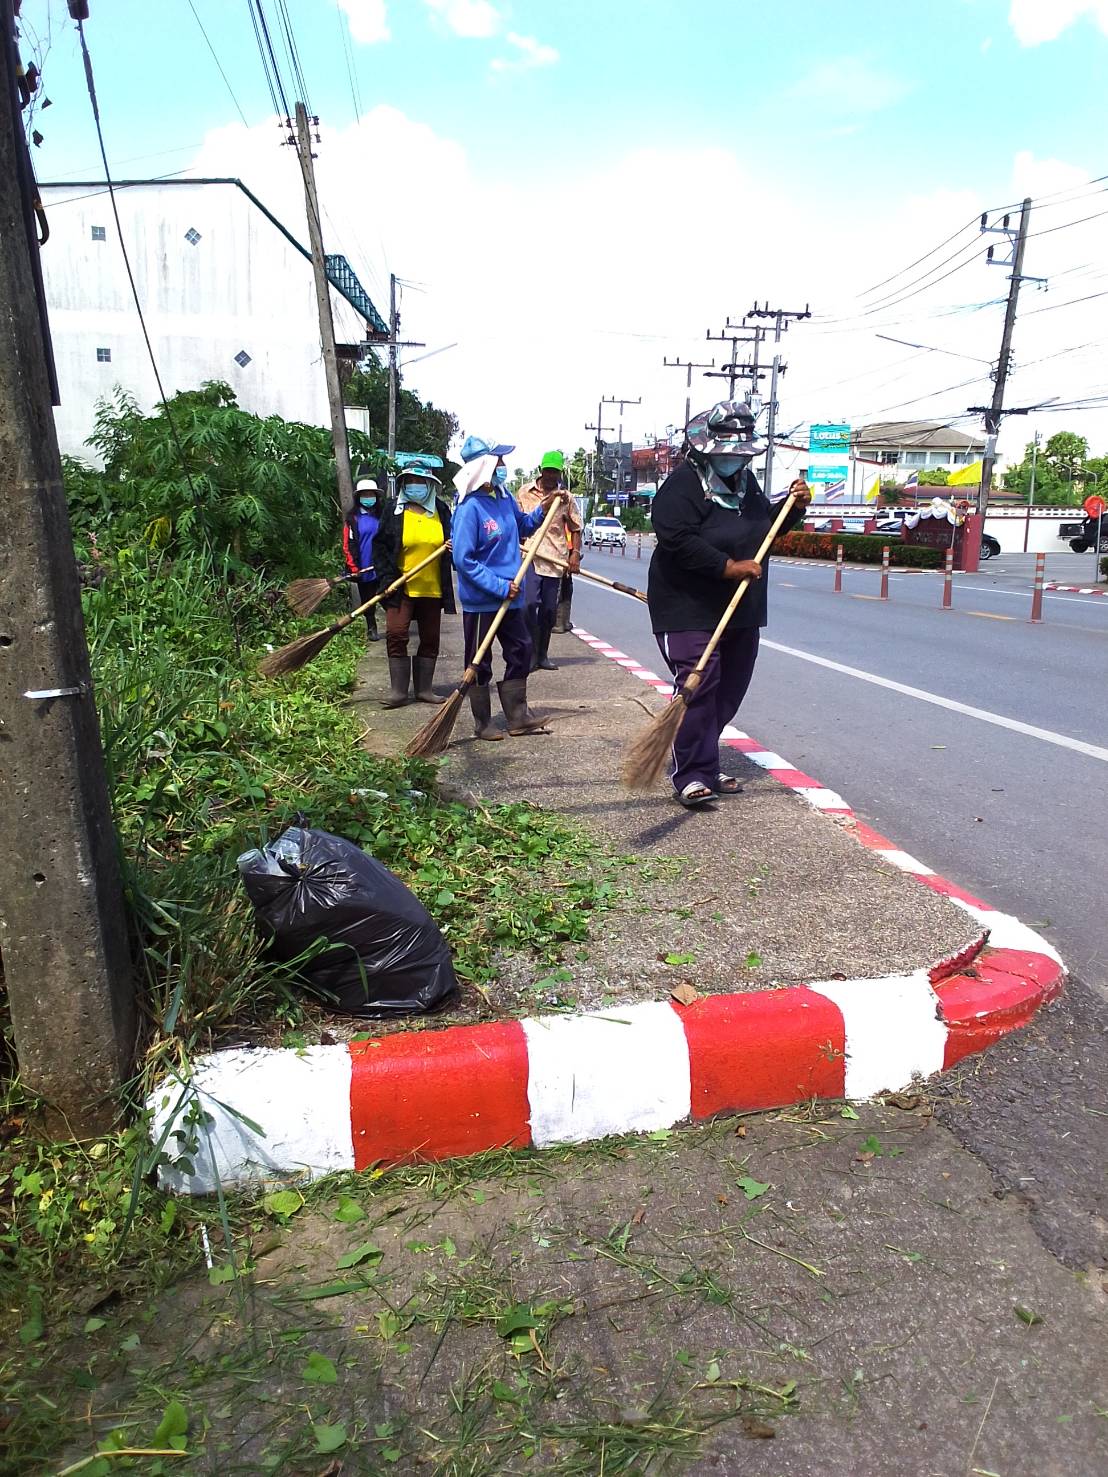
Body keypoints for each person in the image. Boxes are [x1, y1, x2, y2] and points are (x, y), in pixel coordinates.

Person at [647, 400, 811, 807]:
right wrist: (726, 567)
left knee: (728, 691)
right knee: (698, 686)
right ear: (705, 449)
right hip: (687, 606)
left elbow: (763, 532)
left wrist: (792, 510)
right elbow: (676, 539)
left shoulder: (746, 485)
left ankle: (705, 759)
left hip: (740, 610)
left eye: (740, 454)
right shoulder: (681, 487)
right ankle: (690, 773)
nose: (733, 461)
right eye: (726, 454)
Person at [450, 450, 566, 740]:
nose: (503, 468)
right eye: (498, 463)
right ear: (482, 468)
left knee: (522, 648)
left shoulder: (503, 497)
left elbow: (523, 526)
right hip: (483, 600)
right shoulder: (469, 508)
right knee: (479, 660)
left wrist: (543, 509)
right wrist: (499, 586)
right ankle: (483, 722)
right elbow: (463, 560)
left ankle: (517, 716)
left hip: (511, 596)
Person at [373, 462, 455, 707]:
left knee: (430, 638)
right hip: (401, 586)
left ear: (430, 485)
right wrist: (387, 578)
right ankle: (399, 691)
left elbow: (453, 540)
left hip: (432, 586)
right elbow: (380, 547)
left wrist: (451, 545)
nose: (415, 486)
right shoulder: (393, 510)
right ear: (403, 484)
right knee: (397, 634)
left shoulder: (440, 509)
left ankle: (424, 690)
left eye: (420, 482)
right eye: (410, 481)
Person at [516, 450, 582, 670]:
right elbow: (517, 523)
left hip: (554, 559)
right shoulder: (525, 492)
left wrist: (574, 555)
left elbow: (576, 527)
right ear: (540, 471)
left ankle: (542, 654)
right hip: (530, 556)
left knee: (548, 611)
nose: (552, 476)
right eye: (548, 471)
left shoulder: (566, 498)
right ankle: (529, 651)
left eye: (555, 472)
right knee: (528, 605)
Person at [342, 474, 382, 642]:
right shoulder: (353, 519)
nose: (368, 498)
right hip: (364, 567)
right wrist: (353, 568)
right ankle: (371, 627)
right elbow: (348, 545)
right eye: (364, 495)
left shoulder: (382, 516)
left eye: (371, 494)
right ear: (359, 497)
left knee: (389, 595)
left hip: (382, 565)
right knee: (368, 600)